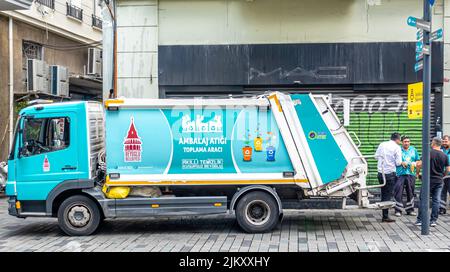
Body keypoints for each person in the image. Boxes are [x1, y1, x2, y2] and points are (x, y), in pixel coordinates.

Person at [415, 137, 450, 227]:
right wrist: (442, 175)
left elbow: (419, 164)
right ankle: (433, 220)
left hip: (428, 181)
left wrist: (418, 173)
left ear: (433, 143)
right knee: (436, 200)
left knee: (423, 199)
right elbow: (448, 169)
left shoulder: (428, 153)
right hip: (439, 181)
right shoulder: (444, 155)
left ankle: (420, 220)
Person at [375, 132, 402, 223]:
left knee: (384, 194)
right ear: (397, 139)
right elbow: (398, 163)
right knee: (387, 195)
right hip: (390, 174)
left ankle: (385, 214)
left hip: (380, 173)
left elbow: (376, 157)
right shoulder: (397, 147)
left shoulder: (382, 144)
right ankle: (385, 216)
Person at [393, 136, 420, 217]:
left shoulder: (413, 149)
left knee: (410, 192)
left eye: (408, 141)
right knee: (398, 192)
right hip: (400, 173)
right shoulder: (398, 150)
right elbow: (393, 160)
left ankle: (410, 210)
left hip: (411, 174)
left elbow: (418, 160)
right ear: (402, 142)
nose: (407, 143)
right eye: (405, 141)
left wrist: (416, 167)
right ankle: (398, 210)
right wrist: (401, 163)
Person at [439, 135, 450, 214]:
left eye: (446, 141)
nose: (444, 143)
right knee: (442, 192)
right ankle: (442, 209)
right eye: (443, 141)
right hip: (441, 175)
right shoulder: (440, 150)